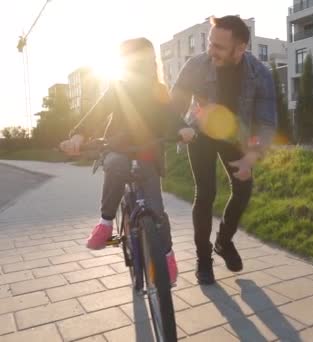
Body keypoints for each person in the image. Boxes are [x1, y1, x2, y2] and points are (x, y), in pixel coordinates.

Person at [59, 37, 196, 284]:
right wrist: (79, 135)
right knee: (115, 166)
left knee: (157, 210)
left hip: (147, 152)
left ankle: (167, 255)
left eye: (146, 60)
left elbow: (170, 115)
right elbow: (97, 113)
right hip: (119, 148)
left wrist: (183, 128)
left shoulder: (159, 90)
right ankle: (106, 223)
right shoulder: (118, 87)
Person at [170, 15, 277, 285]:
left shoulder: (260, 74)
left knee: (244, 187)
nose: (210, 51)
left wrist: (251, 156)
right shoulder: (196, 65)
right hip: (201, 133)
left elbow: (265, 122)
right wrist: (177, 129)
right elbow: (174, 106)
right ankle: (203, 260)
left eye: (219, 46)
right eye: (210, 42)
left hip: (234, 136)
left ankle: (223, 240)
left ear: (240, 49)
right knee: (205, 193)